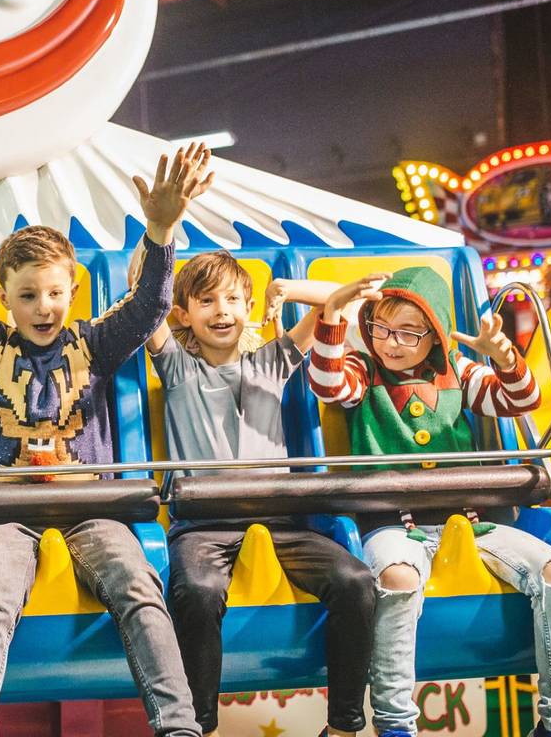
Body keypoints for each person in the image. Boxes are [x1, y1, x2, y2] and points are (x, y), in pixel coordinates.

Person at [0, 132, 210, 737]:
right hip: (6, 510)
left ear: (74, 293)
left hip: (91, 508)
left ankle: (178, 726)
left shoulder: (96, 344)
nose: (44, 306)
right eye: (28, 295)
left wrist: (159, 234)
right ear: (4, 298)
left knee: (138, 584)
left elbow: (151, 306)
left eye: (55, 293)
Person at [308, 267, 551, 737]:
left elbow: (523, 400)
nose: (390, 343)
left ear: (434, 334)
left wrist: (504, 359)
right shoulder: (363, 367)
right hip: (392, 523)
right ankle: (396, 724)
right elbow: (327, 384)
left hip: (470, 519)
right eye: (381, 328)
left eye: (408, 333)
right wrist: (335, 313)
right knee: (397, 578)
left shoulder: (458, 371)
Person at [143, 249, 374, 737]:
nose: (221, 311)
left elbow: (336, 304)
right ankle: (199, 726)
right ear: (183, 313)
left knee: (355, 581)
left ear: (248, 306)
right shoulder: (178, 368)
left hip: (278, 519)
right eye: (206, 301)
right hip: (204, 525)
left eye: (232, 299)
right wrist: (160, 227)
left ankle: (345, 726)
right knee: (199, 593)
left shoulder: (272, 361)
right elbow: (145, 298)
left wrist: (285, 289)